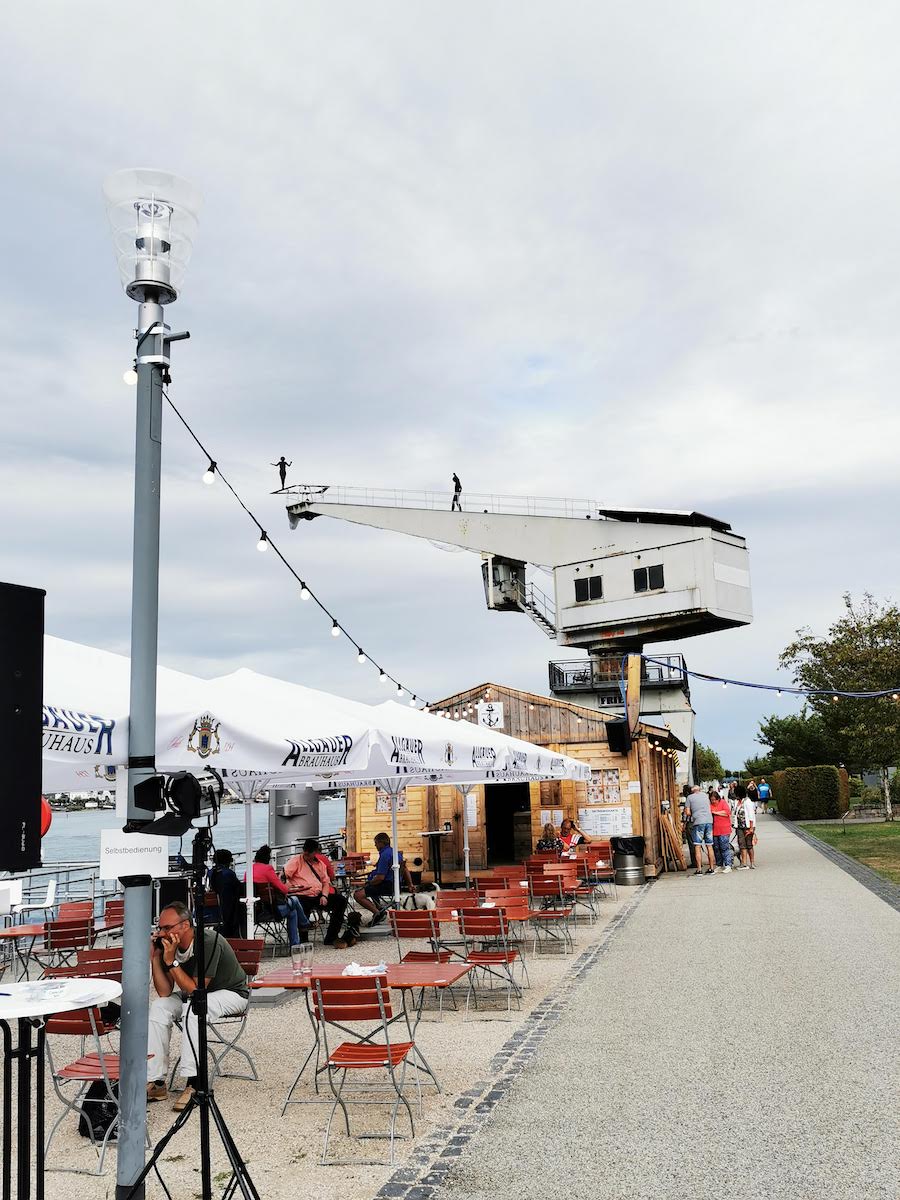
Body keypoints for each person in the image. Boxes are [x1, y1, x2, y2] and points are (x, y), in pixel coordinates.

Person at [146, 901, 249, 1111]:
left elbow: (195, 989)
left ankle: (195, 1082)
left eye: (167, 928)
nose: (161, 932)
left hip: (232, 993)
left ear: (185, 925)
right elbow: (165, 991)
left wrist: (171, 962)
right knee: (159, 1007)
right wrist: (156, 958)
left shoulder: (208, 941)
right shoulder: (170, 947)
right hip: (196, 995)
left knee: (194, 1008)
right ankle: (156, 1081)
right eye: (160, 927)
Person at [284, 838, 353, 947]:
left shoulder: (320, 864)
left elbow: (326, 882)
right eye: (305, 854)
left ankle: (331, 936)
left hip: (318, 894)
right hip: (301, 895)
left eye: (309, 854)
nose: (306, 856)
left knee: (341, 901)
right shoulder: (296, 861)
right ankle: (303, 940)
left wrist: (325, 896)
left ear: (315, 852)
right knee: (301, 906)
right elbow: (284, 876)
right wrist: (289, 886)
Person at [248, 845, 309, 945]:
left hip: (254, 911)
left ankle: (303, 927)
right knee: (294, 904)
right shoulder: (268, 869)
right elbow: (284, 890)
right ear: (268, 858)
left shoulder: (249, 870)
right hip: (271, 911)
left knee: (293, 908)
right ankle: (303, 927)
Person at [353, 832, 414, 925]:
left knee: (358, 894)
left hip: (387, 885)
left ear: (381, 843)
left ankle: (378, 913)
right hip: (396, 884)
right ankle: (379, 909)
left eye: (376, 843)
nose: (375, 845)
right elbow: (405, 869)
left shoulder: (385, 855)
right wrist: (410, 884)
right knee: (370, 887)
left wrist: (367, 883)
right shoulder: (396, 853)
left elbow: (380, 878)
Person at [208, 848, 243, 938]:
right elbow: (239, 888)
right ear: (228, 861)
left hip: (213, 910)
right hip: (227, 909)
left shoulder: (210, 872)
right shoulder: (229, 874)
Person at [684, 784, 716, 876]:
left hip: (698, 822)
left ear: (692, 791)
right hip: (709, 821)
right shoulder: (705, 796)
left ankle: (699, 870)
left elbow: (688, 812)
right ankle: (711, 868)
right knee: (709, 845)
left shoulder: (689, 798)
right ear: (699, 790)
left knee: (697, 846)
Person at [708, 789, 733, 873]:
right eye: (711, 800)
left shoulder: (722, 802)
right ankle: (719, 864)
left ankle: (728, 864)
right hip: (715, 829)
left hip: (724, 829)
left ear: (718, 799)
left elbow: (727, 812)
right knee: (716, 848)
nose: (713, 801)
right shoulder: (710, 805)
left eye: (714, 800)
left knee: (724, 847)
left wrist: (715, 812)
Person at [734, 785, 757, 869]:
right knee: (742, 845)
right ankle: (744, 863)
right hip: (739, 826)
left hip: (748, 826)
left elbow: (751, 815)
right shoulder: (738, 802)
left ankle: (752, 862)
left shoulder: (748, 801)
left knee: (749, 845)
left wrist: (751, 828)